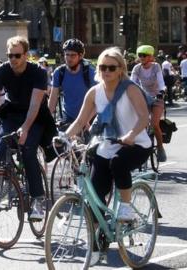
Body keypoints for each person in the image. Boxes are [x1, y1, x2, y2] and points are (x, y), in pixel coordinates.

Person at [65, 47, 151, 266]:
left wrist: (132, 135)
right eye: (102, 67)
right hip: (107, 145)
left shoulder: (131, 89)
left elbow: (144, 117)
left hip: (137, 144)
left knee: (119, 163)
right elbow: (80, 120)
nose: (106, 71)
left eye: (111, 67)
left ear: (121, 69)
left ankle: (126, 207)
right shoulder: (94, 92)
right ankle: (96, 246)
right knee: (94, 195)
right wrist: (64, 137)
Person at [0, 36, 49, 219]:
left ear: (26, 55)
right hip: (12, 112)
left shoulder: (38, 72)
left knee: (28, 150)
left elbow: (34, 106)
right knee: (1, 147)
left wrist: (25, 128)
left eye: (17, 55)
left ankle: (38, 199)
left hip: (35, 115)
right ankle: (9, 182)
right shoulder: (1, 71)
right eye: (10, 55)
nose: (13, 59)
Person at [48, 38, 96, 128]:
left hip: (89, 117)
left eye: (73, 55)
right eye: (67, 55)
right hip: (69, 117)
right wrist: (46, 120)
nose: (69, 58)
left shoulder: (90, 72)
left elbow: (99, 100)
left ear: (80, 56)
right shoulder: (59, 72)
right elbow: (53, 99)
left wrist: (86, 120)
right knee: (63, 140)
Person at [130, 45, 167, 162]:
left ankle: (160, 147)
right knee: (137, 123)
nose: (141, 57)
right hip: (143, 98)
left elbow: (161, 82)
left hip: (157, 98)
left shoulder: (156, 67)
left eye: (144, 55)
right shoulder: (137, 68)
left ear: (151, 56)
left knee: (154, 124)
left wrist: (161, 91)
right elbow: (132, 83)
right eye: (139, 55)